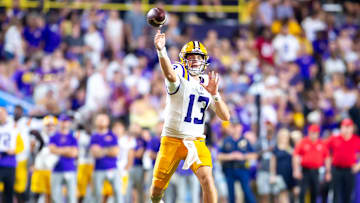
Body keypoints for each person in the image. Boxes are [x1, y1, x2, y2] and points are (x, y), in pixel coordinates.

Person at [150, 30, 231, 203]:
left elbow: (225, 116)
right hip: (171, 139)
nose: (195, 60)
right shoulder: (179, 73)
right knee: (156, 190)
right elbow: (170, 74)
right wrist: (161, 51)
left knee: (207, 178)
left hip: (195, 140)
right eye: (191, 57)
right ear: (183, 60)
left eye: (198, 57)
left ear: (205, 61)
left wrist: (215, 95)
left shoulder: (207, 83)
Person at [293, 124, 331, 203]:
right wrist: (296, 169)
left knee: (315, 191)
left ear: (318, 133)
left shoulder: (322, 144)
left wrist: (328, 172)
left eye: (315, 133)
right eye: (311, 133)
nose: (313, 135)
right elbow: (296, 155)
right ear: (308, 133)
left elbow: (327, 158)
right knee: (302, 192)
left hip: (316, 171)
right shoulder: (303, 142)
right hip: (305, 170)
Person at [90, 113, 122, 203]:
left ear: (108, 121)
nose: (101, 121)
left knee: (118, 192)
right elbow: (95, 153)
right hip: (98, 169)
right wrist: (108, 150)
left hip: (113, 168)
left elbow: (115, 152)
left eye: (103, 119)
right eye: (99, 119)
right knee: (97, 194)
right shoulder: (94, 136)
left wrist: (102, 150)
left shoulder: (112, 135)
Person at [327, 118, 360, 203]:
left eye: (349, 127)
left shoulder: (356, 140)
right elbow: (325, 149)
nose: (346, 129)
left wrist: (358, 165)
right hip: (336, 169)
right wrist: (329, 162)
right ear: (341, 128)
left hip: (350, 170)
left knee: (348, 195)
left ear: (352, 128)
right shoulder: (334, 138)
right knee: (336, 194)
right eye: (345, 127)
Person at [48, 114, 78, 203]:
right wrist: (67, 149)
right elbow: (52, 149)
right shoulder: (54, 136)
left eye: (66, 121)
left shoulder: (72, 137)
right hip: (56, 169)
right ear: (59, 123)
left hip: (70, 169)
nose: (64, 124)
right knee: (56, 197)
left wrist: (59, 150)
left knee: (72, 197)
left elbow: (74, 153)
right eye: (62, 121)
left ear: (69, 123)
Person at [0, 107, 23, 203]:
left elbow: (21, 146)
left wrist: (13, 151)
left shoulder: (13, 129)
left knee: (9, 192)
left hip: (9, 163)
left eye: (2, 113)